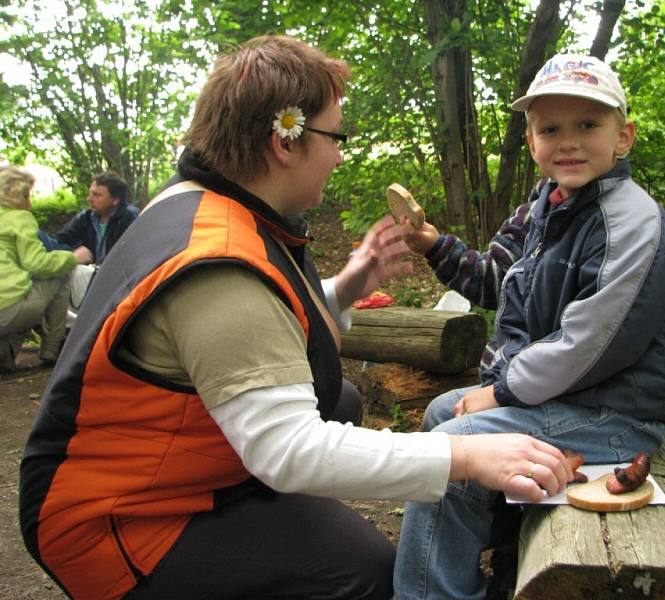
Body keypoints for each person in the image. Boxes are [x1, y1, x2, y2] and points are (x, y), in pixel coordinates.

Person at [19, 36, 577, 600]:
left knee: (343, 402)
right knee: (372, 574)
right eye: (336, 137)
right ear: (285, 143)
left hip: (174, 460)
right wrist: (467, 455)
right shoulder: (217, 266)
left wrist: (345, 288)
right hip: (119, 519)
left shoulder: (209, 200)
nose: (339, 155)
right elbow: (287, 446)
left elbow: (251, 328)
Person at [394, 53, 665, 599]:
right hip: (570, 399)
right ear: (532, 143)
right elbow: (493, 281)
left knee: (453, 445)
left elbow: (590, 345)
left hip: (616, 414)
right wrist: (434, 245)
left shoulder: (633, 223)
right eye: (551, 128)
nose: (569, 141)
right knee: (443, 411)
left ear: (622, 137)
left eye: (588, 125)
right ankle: (499, 558)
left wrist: (500, 391)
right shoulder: (542, 210)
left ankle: (430, 592)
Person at [0, 167, 84, 372]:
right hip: (7, 308)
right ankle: (53, 348)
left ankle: (6, 357)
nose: (29, 200)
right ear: (13, 194)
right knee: (62, 271)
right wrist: (72, 258)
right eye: (26, 194)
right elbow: (36, 263)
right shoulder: (18, 217)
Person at [43, 171, 139, 265]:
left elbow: (135, 254)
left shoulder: (129, 217)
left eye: (97, 195)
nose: (90, 199)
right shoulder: (85, 218)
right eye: (90, 193)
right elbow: (60, 241)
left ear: (115, 199)